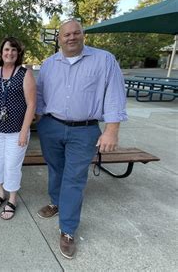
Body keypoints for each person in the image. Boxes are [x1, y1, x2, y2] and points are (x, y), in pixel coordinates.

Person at [35, 19, 127, 259]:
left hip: (84, 130)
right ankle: (56, 202)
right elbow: (41, 93)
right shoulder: (48, 64)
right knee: (56, 169)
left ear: (83, 35)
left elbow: (115, 94)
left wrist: (112, 130)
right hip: (51, 127)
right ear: (59, 38)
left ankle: (67, 229)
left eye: (76, 33)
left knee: (74, 178)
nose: (71, 38)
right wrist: (39, 119)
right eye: (66, 34)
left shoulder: (104, 60)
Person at [0, 37, 36, 220]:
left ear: (18, 53)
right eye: (7, 49)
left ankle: (12, 199)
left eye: (14, 50)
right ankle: (0, 193)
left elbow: (31, 104)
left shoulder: (25, 74)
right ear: (1, 52)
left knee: (12, 166)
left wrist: (24, 131)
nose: (10, 53)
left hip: (17, 130)